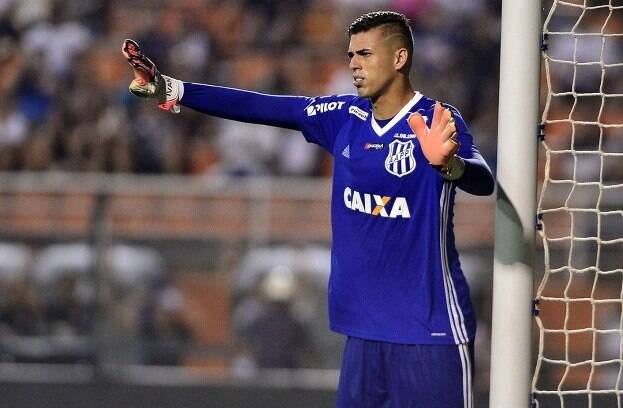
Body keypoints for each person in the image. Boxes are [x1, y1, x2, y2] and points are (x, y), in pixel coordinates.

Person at [123, 10, 494, 407]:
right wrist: (172, 89)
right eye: (351, 55)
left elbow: (483, 180)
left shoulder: (437, 119)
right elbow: (260, 107)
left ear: (400, 58)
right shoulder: (344, 118)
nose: (353, 64)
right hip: (364, 330)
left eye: (365, 54)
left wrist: (448, 165)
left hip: (429, 328)